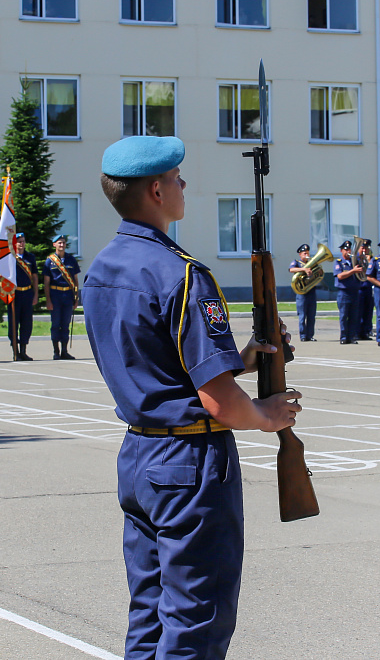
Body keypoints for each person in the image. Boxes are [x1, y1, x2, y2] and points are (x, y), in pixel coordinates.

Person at [82, 135, 301, 660]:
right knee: (197, 621)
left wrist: (244, 358)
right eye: (177, 179)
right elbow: (220, 404)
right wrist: (267, 416)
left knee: (150, 614)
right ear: (156, 190)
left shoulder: (103, 269)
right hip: (190, 462)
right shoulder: (181, 273)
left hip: (140, 456)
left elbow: (154, 363)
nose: (185, 186)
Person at [43, 233, 80, 360]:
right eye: (59, 243)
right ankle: (56, 351)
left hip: (68, 295)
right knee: (55, 323)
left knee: (65, 324)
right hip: (55, 294)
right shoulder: (50, 261)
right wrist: (48, 300)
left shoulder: (71, 260)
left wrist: (76, 298)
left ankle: (64, 351)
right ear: (54, 245)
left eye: (63, 242)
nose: (62, 245)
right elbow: (46, 283)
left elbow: (75, 280)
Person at [8, 232, 39, 360]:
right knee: (14, 323)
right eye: (19, 241)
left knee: (26, 323)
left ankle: (23, 350)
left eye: (23, 241)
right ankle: (15, 351)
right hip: (14, 294)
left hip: (27, 293)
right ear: (14, 243)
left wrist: (35, 294)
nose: (21, 244)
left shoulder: (30, 257)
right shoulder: (10, 257)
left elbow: (35, 276)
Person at [333, 240, 363, 344]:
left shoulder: (355, 262)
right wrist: (352, 271)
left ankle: (352, 337)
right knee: (343, 316)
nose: (348, 251)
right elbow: (340, 276)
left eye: (349, 249)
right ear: (341, 251)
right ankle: (344, 337)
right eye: (346, 249)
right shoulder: (338, 262)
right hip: (344, 292)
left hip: (355, 291)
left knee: (354, 316)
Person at [288, 243, 317, 341]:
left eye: (307, 253)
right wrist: (304, 270)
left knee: (311, 316)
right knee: (302, 316)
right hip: (301, 293)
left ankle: (310, 335)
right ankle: (303, 336)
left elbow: (319, 274)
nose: (306, 255)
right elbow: (291, 269)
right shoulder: (297, 262)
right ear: (300, 254)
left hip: (311, 292)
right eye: (304, 253)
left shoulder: (312, 264)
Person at [357, 238, 375, 340]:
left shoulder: (371, 260)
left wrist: (369, 262)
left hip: (368, 287)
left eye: (366, 248)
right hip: (359, 287)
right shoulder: (355, 259)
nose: (364, 250)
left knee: (368, 311)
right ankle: (357, 332)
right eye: (362, 247)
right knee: (358, 311)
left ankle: (366, 332)